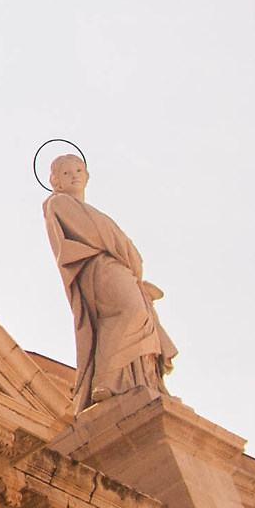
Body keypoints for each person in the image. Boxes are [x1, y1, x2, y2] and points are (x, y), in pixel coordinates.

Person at [42, 153, 177, 416]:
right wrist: (129, 255)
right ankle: (105, 379)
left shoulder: (90, 210)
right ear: (55, 181)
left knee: (140, 320)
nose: (74, 176)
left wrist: (129, 260)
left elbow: (110, 237)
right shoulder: (57, 203)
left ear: (88, 176)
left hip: (118, 268)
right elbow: (98, 235)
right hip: (98, 268)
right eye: (66, 173)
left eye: (79, 170)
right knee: (131, 313)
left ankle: (138, 381)